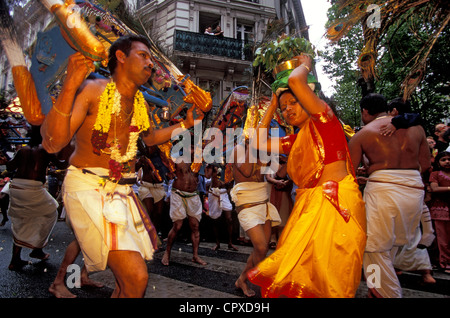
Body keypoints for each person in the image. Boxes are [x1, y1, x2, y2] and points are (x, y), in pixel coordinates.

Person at [40, 35, 204, 298]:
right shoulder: (94, 89)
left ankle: (67, 280)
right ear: (121, 57)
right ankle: (64, 281)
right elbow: (53, 144)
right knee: (136, 278)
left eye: (151, 58)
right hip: (89, 187)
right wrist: (71, 84)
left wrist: (185, 125)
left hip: (124, 193)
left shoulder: (140, 101)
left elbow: (148, 138)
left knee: (123, 284)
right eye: (144, 55)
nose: (151, 63)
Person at [247, 54, 366, 298]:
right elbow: (258, 141)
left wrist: (306, 65)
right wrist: (271, 106)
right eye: (284, 108)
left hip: (335, 205)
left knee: (330, 280)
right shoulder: (296, 138)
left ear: (307, 97)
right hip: (308, 206)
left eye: (293, 102)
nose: (288, 109)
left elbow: (296, 80)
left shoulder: (326, 121)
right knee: (300, 277)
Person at [348, 93, 431, 298]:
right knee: (391, 245)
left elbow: (348, 171)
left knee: (374, 248)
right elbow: (426, 165)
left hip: (383, 192)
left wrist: (378, 173)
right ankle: (374, 289)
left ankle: (386, 293)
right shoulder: (416, 128)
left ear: (365, 112)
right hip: (413, 190)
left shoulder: (363, 134)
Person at [229, 138, 281, 297]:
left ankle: (242, 279)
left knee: (263, 249)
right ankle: (264, 284)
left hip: (262, 199)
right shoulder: (238, 149)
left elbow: (277, 172)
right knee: (260, 247)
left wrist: (288, 158)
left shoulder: (264, 150)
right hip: (246, 202)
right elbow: (246, 171)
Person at [6, 126, 62, 270]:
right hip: (33, 189)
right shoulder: (45, 150)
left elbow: (11, 167)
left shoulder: (22, 150)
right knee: (51, 211)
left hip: (17, 187)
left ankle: (15, 259)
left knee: (21, 220)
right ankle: (37, 249)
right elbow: (61, 165)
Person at [161, 148, 207, 266]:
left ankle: (195, 256)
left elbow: (207, 174)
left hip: (193, 195)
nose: (192, 151)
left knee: (195, 226)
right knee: (177, 226)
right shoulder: (178, 161)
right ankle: (167, 253)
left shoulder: (199, 162)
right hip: (178, 195)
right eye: (190, 148)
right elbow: (167, 169)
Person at [205, 164, 237, 251]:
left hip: (224, 194)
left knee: (229, 219)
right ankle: (217, 243)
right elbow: (207, 177)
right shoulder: (210, 166)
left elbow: (230, 182)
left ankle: (230, 243)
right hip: (214, 194)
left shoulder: (226, 166)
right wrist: (210, 168)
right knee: (215, 220)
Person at [428, 151, 450, 274]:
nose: (447, 162)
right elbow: (435, 188)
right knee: (443, 238)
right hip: (440, 209)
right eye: (444, 159)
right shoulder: (435, 174)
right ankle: (444, 262)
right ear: (438, 162)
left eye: (449, 159)